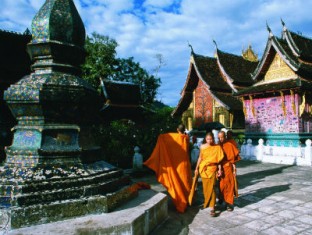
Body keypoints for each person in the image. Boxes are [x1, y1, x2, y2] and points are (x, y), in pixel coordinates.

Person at [144, 124, 192, 213]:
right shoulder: (186, 138)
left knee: (177, 182)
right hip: (185, 166)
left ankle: (181, 202)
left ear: (177, 129)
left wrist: (161, 137)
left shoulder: (174, 137)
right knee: (185, 183)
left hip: (177, 165)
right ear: (184, 129)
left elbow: (167, 138)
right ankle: (186, 201)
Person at [194, 132, 224, 217]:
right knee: (206, 188)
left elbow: (218, 160)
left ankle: (212, 208)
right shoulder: (202, 147)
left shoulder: (217, 147)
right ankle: (208, 202)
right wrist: (196, 168)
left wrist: (219, 169)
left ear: (213, 139)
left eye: (211, 139)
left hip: (212, 169)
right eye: (207, 139)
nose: (209, 141)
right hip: (204, 169)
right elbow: (200, 157)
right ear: (205, 139)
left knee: (212, 188)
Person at [217, 131, 241, 211]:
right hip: (220, 169)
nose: (220, 139)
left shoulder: (230, 145)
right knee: (221, 186)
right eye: (219, 137)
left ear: (225, 137)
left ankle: (229, 203)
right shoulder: (217, 146)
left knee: (230, 185)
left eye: (222, 137)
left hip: (228, 168)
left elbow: (233, 159)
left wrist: (234, 169)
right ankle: (222, 198)